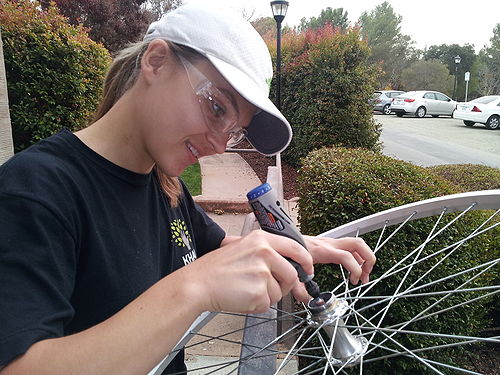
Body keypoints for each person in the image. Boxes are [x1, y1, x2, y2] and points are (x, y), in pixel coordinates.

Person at [0, 4, 376, 374]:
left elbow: (213, 248)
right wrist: (194, 287)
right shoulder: (35, 191)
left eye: (234, 132)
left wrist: (297, 247)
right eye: (216, 109)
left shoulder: (165, 185)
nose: (219, 144)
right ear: (156, 61)